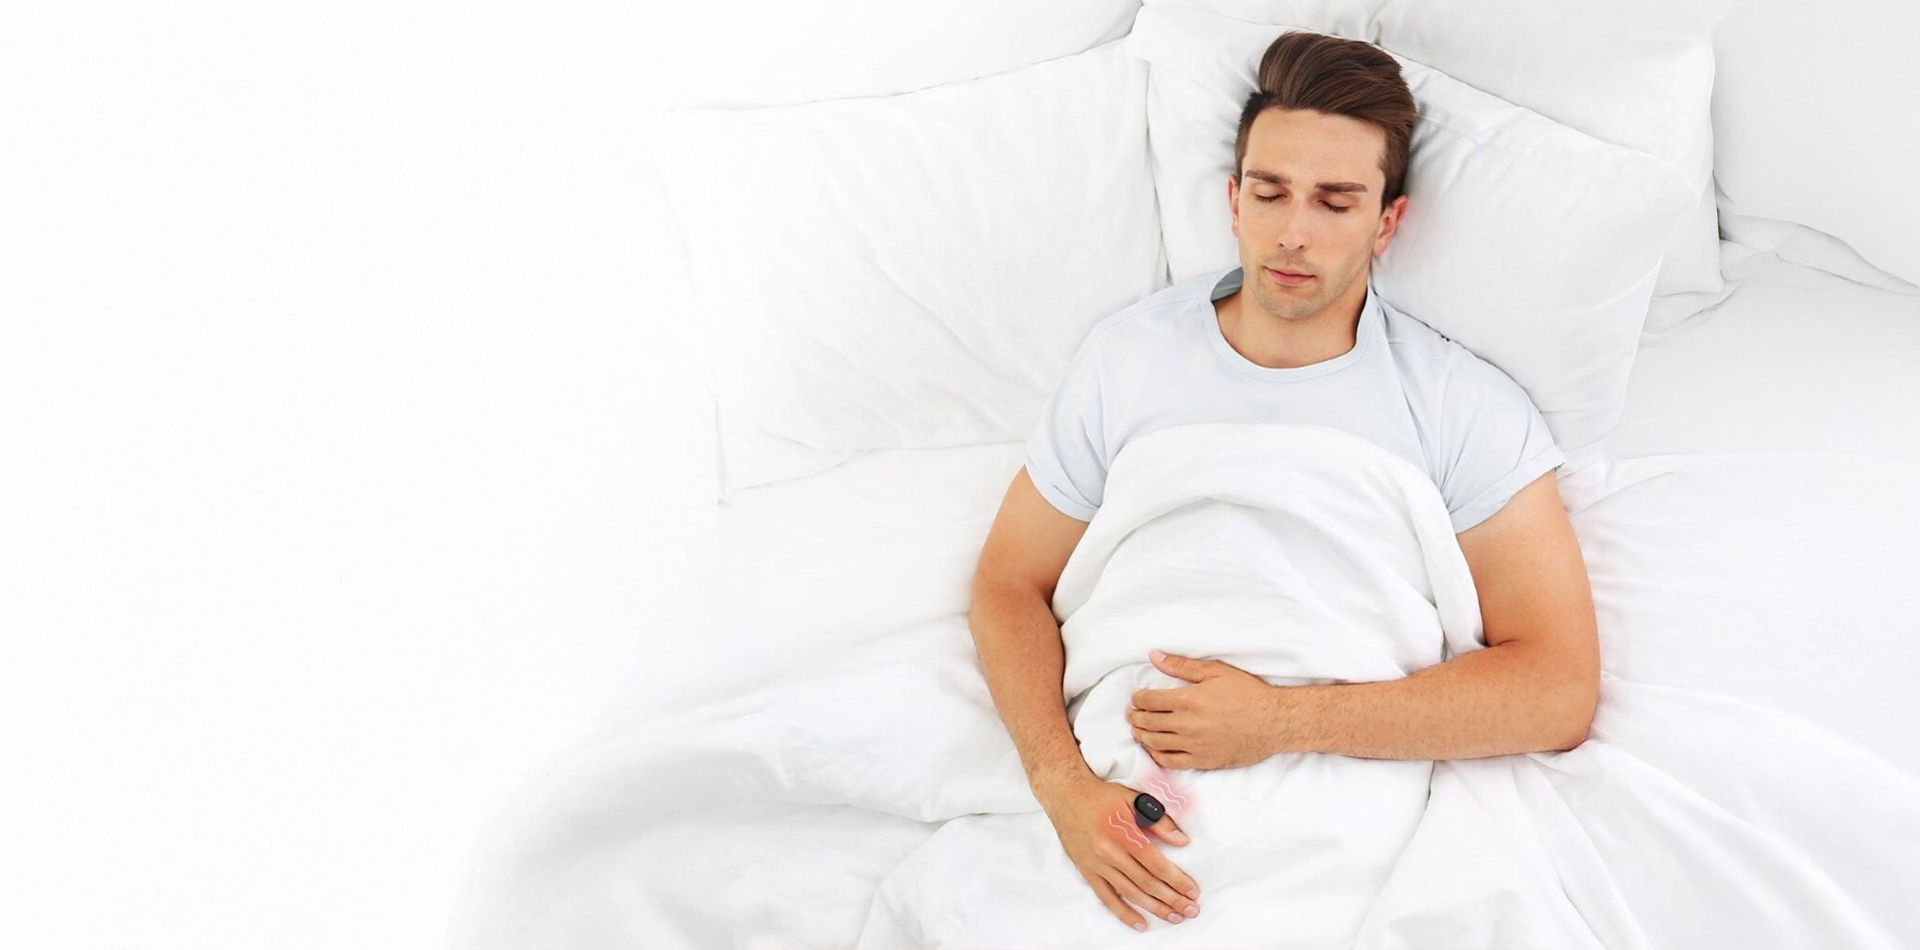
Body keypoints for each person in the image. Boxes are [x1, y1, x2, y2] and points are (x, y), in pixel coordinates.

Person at [967, 29, 1602, 935]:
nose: (1292, 231)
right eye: (1269, 193)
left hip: (1323, 801)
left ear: (1388, 222)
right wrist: (1063, 786)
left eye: (1336, 202)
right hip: (1109, 784)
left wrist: (1279, 723)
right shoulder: (1128, 359)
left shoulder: (1462, 407)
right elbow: (1005, 586)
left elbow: (1556, 689)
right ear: (1233, 200)